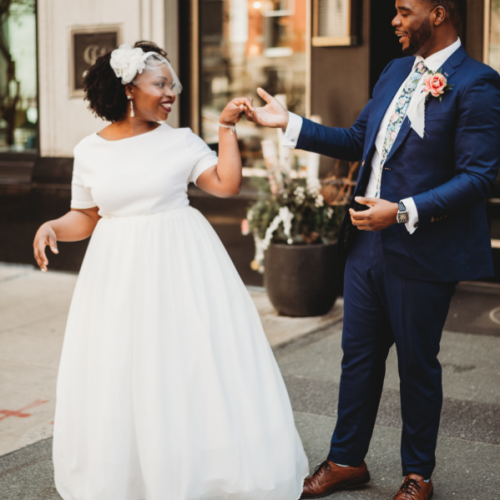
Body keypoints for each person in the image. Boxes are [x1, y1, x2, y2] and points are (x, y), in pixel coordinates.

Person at [245, 1, 500, 499]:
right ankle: (346, 460)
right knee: (357, 359)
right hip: (366, 245)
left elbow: (478, 177)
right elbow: (359, 139)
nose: (394, 20)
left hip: (424, 249)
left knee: (416, 364)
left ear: (440, 13)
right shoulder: (395, 70)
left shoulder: (478, 82)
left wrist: (402, 210)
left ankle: (417, 474)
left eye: (405, 11)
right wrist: (289, 124)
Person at [33, 41, 308, 500]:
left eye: (171, 84)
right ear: (127, 89)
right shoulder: (89, 151)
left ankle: (199, 467)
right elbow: (85, 215)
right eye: (160, 84)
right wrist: (52, 227)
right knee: (126, 367)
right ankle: (135, 473)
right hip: (118, 273)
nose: (170, 93)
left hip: (182, 266)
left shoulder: (180, 140)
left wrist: (224, 129)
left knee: (186, 364)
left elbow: (225, 183)